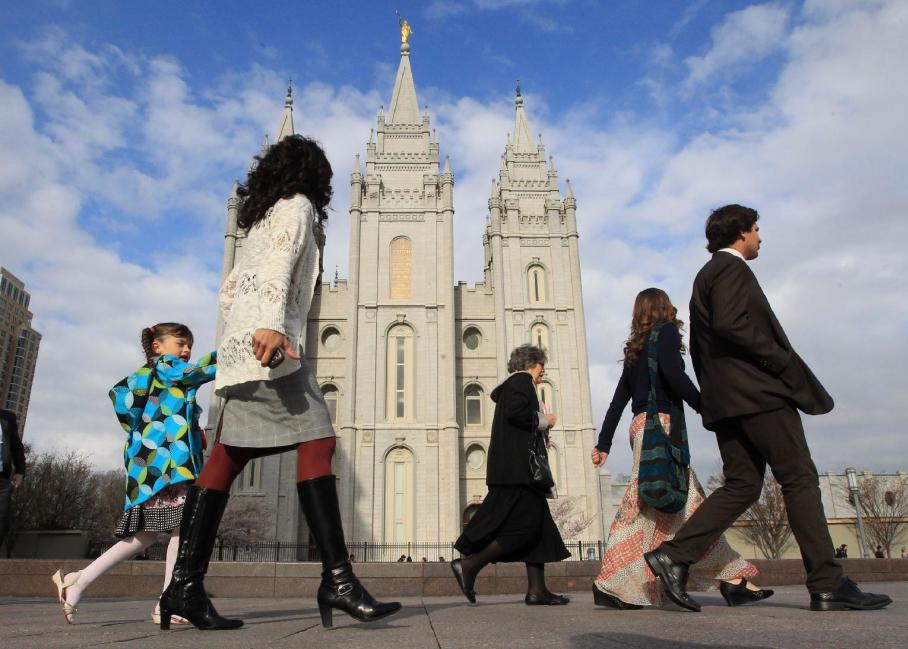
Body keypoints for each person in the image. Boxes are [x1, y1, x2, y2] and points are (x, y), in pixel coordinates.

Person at [159, 135, 399, 631]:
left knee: (227, 457)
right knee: (318, 438)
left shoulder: (261, 215)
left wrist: (244, 332)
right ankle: (338, 580)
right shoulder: (297, 207)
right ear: (311, 174)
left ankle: (184, 586)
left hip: (243, 349)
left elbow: (229, 292)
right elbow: (280, 264)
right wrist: (270, 322)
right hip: (269, 348)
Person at [643, 204, 892, 612]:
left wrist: (718, 393)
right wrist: (778, 360)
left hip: (727, 401)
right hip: (758, 395)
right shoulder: (730, 269)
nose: (760, 237)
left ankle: (674, 555)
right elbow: (730, 324)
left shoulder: (703, 277)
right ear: (740, 233)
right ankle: (828, 582)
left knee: (742, 484)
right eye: (757, 229)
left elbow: (708, 350)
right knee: (799, 478)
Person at [591, 288, 770, 609]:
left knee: (660, 508)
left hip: (640, 427)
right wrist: (705, 406)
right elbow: (675, 374)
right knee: (676, 505)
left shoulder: (636, 348)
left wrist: (603, 443)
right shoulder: (667, 334)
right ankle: (612, 582)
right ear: (664, 308)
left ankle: (730, 579)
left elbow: (619, 400)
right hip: (661, 427)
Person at [51, 323, 214, 625]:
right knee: (183, 527)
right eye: (180, 342)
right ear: (158, 346)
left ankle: (78, 581)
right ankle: (169, 603)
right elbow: (199, 372)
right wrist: (237, 352)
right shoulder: (167, 368)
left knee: (149, 534)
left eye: (189, 344)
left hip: (154, 465)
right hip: (167, 465)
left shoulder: (157, 377)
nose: (187, 349)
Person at [452, 345, 571, 606]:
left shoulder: (517, 384)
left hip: (516, 471)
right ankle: (470, 564)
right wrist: (544, 420)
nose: (544, 371)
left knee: (539, 529)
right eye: (542, 366)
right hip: (518, 472)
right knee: (524, 527)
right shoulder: (521, 382)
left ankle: (537, 590)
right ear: (532, 364)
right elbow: (516, 413)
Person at [0, 408, 25, 553]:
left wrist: (20, 470)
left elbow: (16, 447)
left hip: (2, 480)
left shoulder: (7, 418)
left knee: (2, 520)